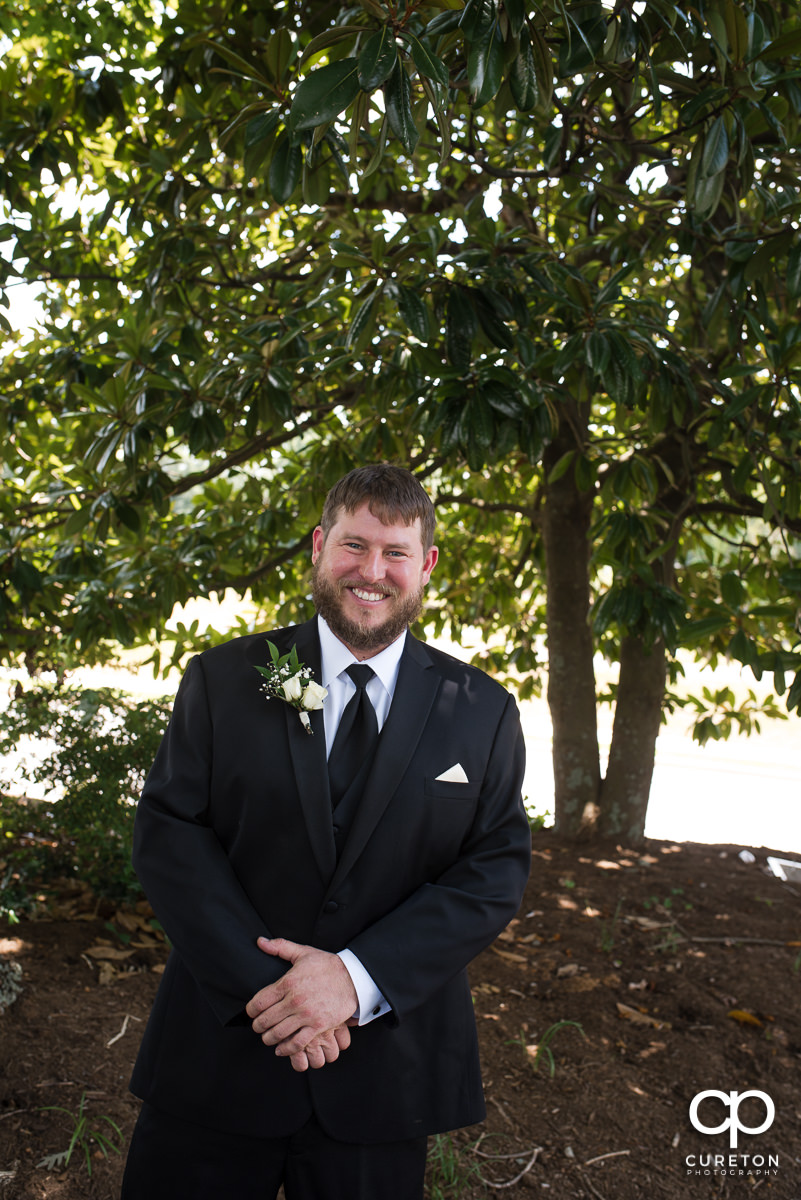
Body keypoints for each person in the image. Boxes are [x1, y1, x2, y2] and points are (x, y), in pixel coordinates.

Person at [122, 464, 531, 1200]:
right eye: (353, 545)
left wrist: (353, 979)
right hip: (219, 1054)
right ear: (318, 545)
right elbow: (170, 835)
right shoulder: (221, 680)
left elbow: (492, 870)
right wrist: (274, 997)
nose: (371, 572)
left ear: (426, 564)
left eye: (395, 553)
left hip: (382, 1079)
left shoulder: (482, 710)